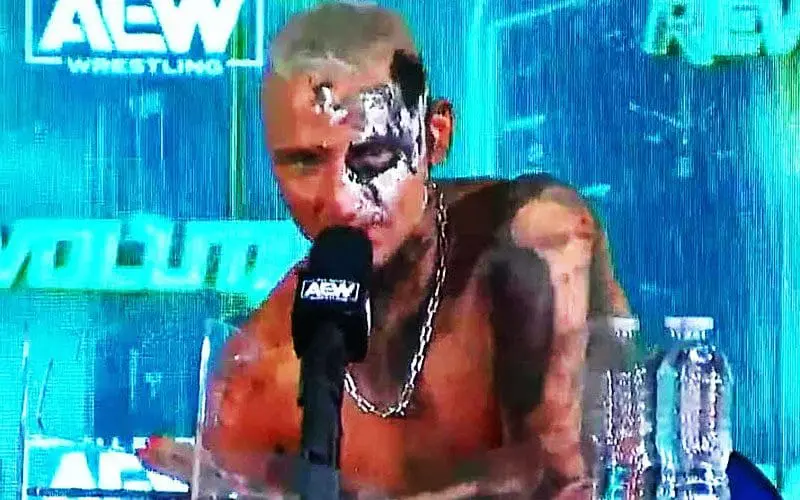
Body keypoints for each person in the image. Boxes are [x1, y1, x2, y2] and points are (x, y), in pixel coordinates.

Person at [141, 2, 629, 498]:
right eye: (304, 163)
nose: (340, 200)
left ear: (434, 137)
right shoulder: (259, 371)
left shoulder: (534, 237)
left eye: (372, 156)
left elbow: (562, 480)